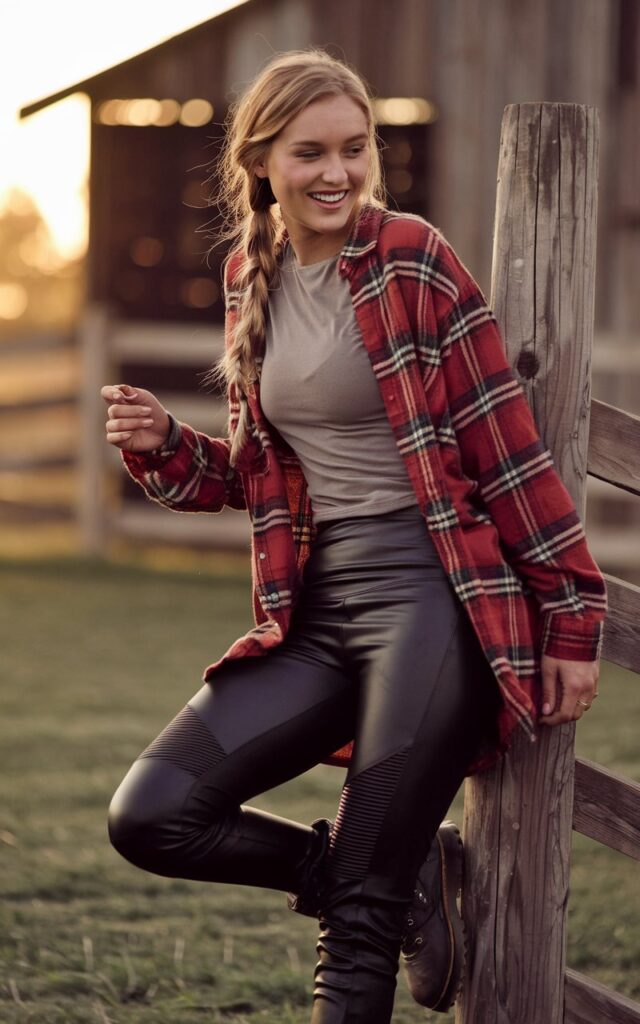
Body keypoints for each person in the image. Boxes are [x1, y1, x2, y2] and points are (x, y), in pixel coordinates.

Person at [102, 48, 606, 1024]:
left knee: (359, 926)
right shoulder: (250, 275)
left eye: (354, 148)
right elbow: (262, 478)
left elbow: (507, 454)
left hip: (432, 602)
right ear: (261, 163)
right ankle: (380, 875)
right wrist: (168, 447)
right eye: (308, 153)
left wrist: (572, 619)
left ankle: (379, 886)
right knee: (154, 813)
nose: (336, 172)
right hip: (318, 607)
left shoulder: (412, 260)